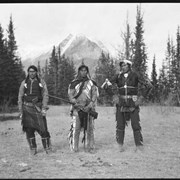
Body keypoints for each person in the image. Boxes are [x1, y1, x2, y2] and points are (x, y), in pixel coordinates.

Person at [102, 59, 153, 152]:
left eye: (125, 65)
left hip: (133, 103)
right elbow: (105, 86)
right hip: (121, 103)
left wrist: (140, 99)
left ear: (129, 66)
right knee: (120, 125)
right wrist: (114, 97)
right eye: (122, 65)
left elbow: (149, 86)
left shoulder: (135, 75)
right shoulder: (118, 76)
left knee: (135, 125)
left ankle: (139, 146)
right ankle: (119, 146)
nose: (123, 67)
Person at [18, 65, 52, 155]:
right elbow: (20, 97)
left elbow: (45, 95)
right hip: (26, 108)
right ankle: (33, 148)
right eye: (30, 71)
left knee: (43, 129)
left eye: (33, 71)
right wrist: (21, 111)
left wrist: (44, 108)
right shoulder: (24, 83)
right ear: (28, 72)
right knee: (29, 129)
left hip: (38, 108)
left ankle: (47, 147)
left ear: (36, 72)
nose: (32, 73)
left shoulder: (41, 82)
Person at [68, 64, 99, 153]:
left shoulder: (91, 83)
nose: (83, 72)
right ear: (79, 71)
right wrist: (74, 103)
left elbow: (94, 95)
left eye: (85, 70)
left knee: (89, 129)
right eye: (82, 70)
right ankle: (74, 148)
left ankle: (90, 147)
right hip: (77, 109)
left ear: (87, 72)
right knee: (76, 129)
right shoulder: (73, 83)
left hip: (88, 109)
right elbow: (70, 95)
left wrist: (90, 105)